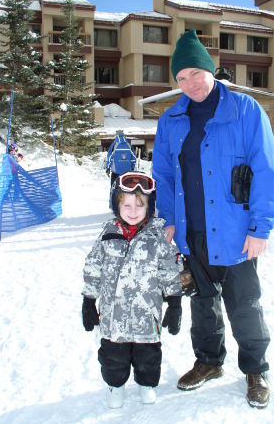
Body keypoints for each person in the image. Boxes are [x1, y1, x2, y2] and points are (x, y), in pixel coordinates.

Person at [152, 30, 274, 409]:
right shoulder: (171, 120)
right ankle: (209, 361)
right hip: (192, 230)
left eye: (196, 73)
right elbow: (164, 175)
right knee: (202, 302)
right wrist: (170, 220)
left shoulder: (244, 109)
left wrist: (261, 227)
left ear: (210, 71)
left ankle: (256, 368)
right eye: (181, 77)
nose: (190, 83)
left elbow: (267, 169)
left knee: (244, 304)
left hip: (236, 231)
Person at [81, 172, 182, 409]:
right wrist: (88, 300)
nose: (133, 210)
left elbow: (169, 270)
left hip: (147, 317)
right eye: (126, 204)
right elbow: (93, 267)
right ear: (116, 205)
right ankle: (115, 387)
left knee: (148, 357)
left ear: (150, 206)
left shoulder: (157, 237)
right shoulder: (108, 234)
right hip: (113, 318)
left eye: (140, 205)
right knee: (113, 357)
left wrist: (175, 302)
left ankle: (147, 385)